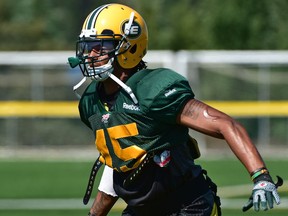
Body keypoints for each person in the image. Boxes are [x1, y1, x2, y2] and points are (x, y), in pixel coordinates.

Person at [68, 3, 282, 216]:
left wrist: (260, 176)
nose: (91, 54)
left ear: (129, 46)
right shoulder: (91, 101)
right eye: (89, 46)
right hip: (142, 209)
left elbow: (225, 124)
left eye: (101, 45)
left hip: (188, 206)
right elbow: (118, 161)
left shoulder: (151, 90)